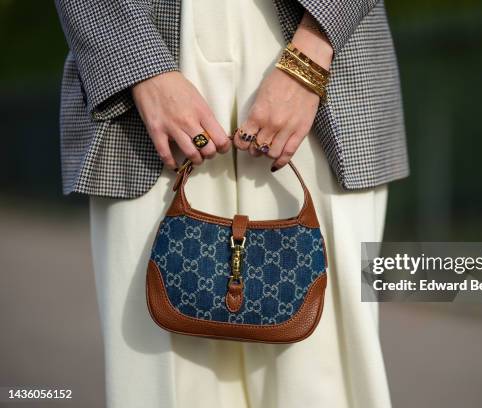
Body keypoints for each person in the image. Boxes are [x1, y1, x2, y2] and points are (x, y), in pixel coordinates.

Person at [55, 0, 409, 407]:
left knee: (325, 381)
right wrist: (139, 67)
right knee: (157, 376)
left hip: (321, 58)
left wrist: (311, 54)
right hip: (145, 53)